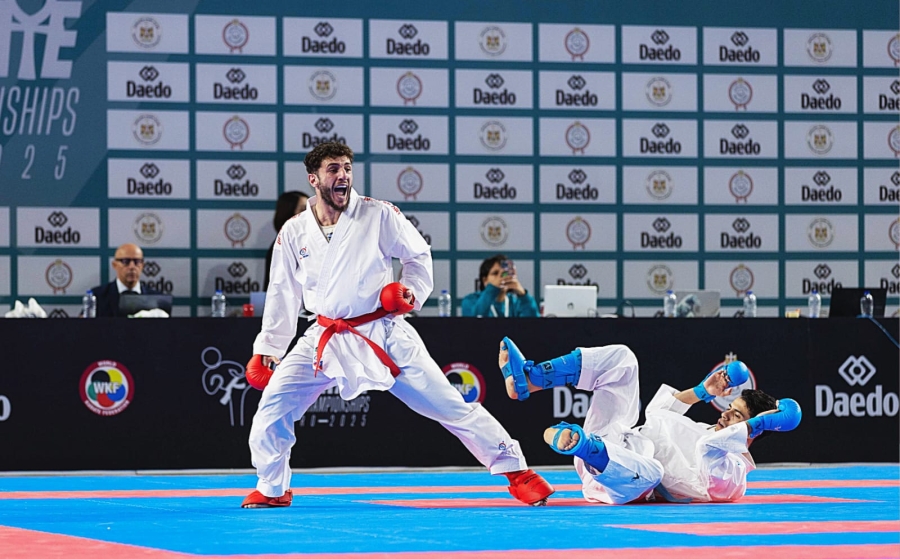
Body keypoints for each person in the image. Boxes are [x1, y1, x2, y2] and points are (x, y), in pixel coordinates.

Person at [240, 142, 553, 509]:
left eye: (347, 168)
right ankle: (272, 486)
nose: (343, 175)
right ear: (314, 179)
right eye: (333, 169)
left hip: (383, 332)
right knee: (273, 406)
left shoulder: (378, 214)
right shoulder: (294, 231)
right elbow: (282, 292)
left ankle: (517, 471)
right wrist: (268, 348)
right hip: (325, 336)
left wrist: (409, 293)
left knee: (449, 404)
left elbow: (418, 256)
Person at [498, 337, 802, 504]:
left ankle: (584, 446)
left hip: (619, 478)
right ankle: (531, 379)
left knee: (654, 471)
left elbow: (710, 449)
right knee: (624, 359)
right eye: (730, 408)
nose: (725, 414)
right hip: (618, 437)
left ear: (755, 430)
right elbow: (658, 414)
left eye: (737, 415)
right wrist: (703, 391)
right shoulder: (699, 429)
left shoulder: (734, 476)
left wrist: (760, 422)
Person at [88, 243, 161, 317]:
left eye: (137, 262)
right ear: (115, 265)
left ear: (142, 266)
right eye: (125, 261)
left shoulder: (156, 299)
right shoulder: (97, 297)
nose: (132, 267)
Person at [461, 255, 539, 317]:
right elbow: (475, 321)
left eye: (505, 273)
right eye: (495, 273)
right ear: (485, 280)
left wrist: (523, 295)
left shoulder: (516, 303)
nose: (501, 277)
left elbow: (534, 326)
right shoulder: (470, 301)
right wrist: (492, 288)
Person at [263, 190, 309, 291]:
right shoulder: (281, 247)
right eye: (303, 209)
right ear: (289, 213)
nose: (309, 214)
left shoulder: (309, 243)